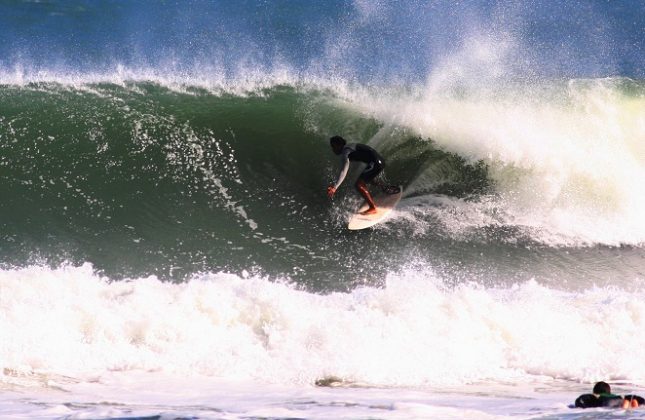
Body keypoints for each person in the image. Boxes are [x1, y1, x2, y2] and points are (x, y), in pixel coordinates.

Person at [326, 136, 399, 215]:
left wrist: (335, 187)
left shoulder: (346, 151)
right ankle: (386, 188)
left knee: (359, 185)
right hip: (379, 161)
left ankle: (372, 208)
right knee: (367, 179)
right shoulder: (350, 146)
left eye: (333, 146)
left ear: (338, 145)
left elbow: (344, 170)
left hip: (376, 163)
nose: (333, 149)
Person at [574, 381, 644, 409]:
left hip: (608, 403)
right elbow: (638, 398)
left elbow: (580, 400)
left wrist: (584, 406)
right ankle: (630, 404)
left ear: (595, 391)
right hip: (620, 399)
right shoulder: (618, 395)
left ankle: (625, 405)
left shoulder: (595, 396)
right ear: (609, 391)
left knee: (619, 407)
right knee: (627, 402)